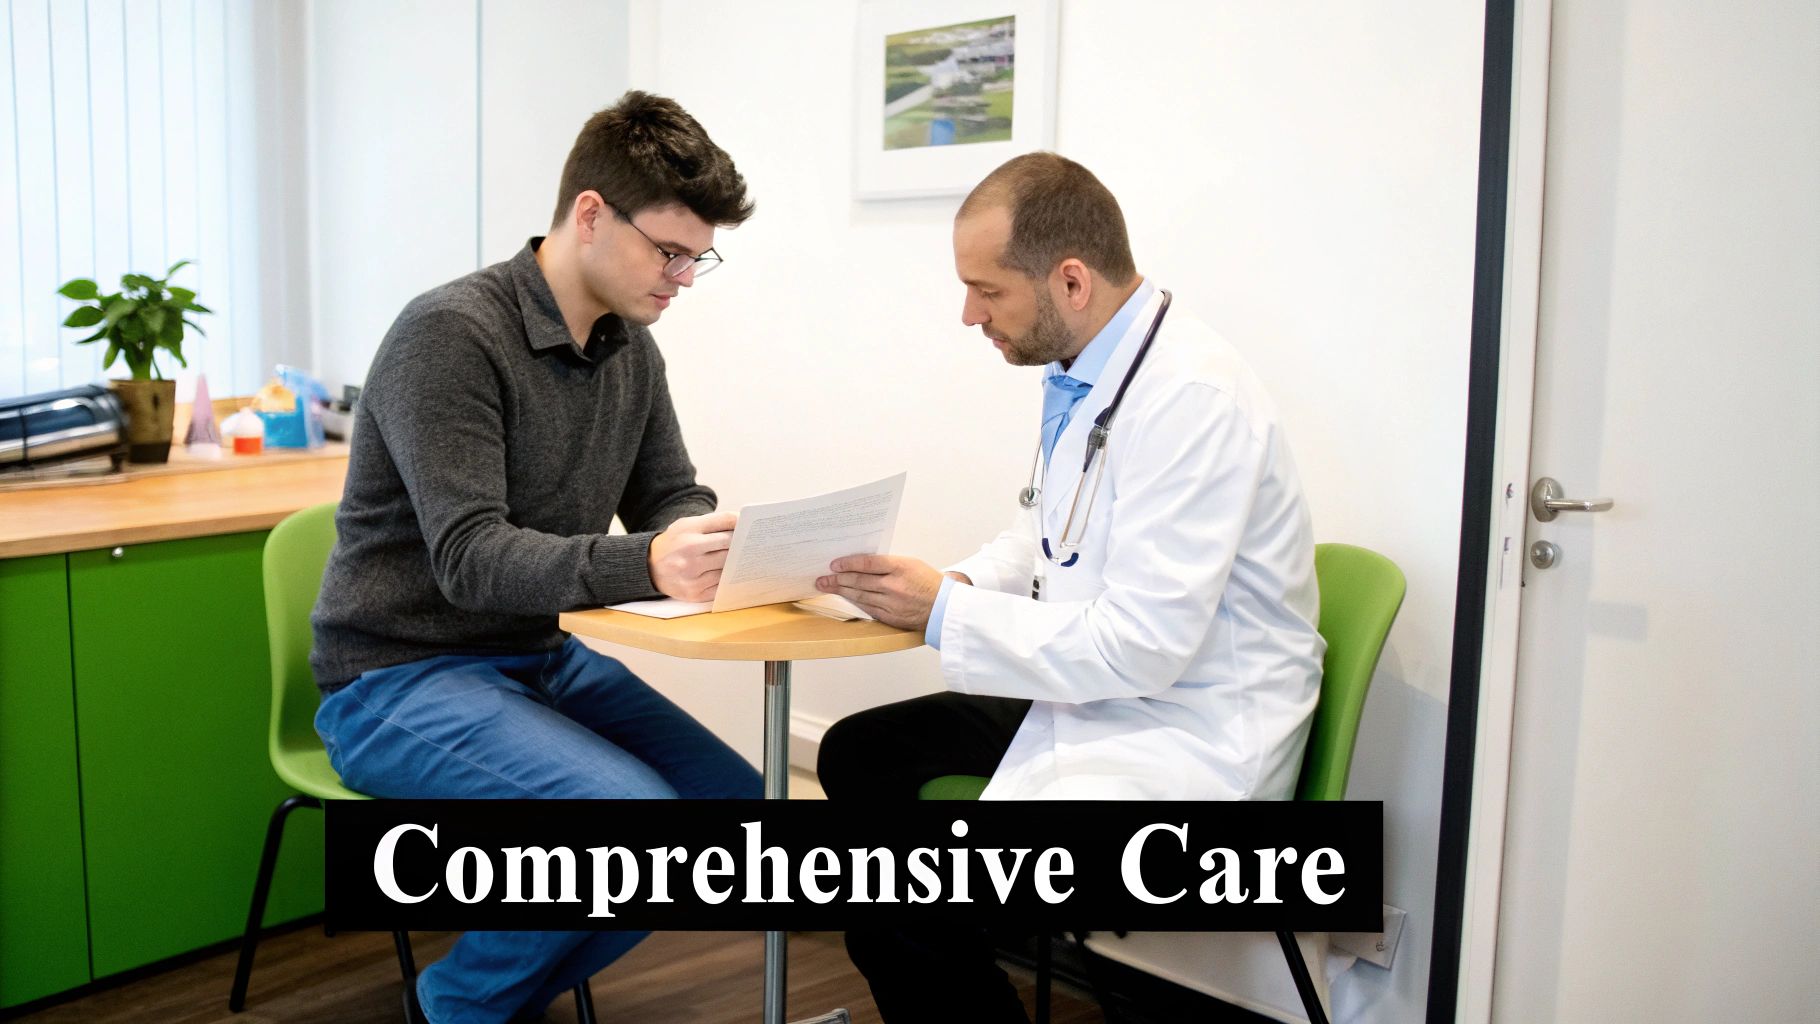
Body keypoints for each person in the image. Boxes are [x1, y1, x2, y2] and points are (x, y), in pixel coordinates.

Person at [813, 152, 1326, 1021]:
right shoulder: (1087, 368)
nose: (969, 314)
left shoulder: (1190, 398)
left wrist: (946, 614)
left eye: (987, 291)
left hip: (1190, 736)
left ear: (1072, 280)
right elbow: (1048, 536)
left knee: (904, 900)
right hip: (1105, 697)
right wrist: (956, 582)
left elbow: (1145, 646)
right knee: (859, 753)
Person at [309, 91, 762, 1024]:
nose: (683, 278)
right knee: (626, 824)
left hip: (537, 660)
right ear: (591, 213)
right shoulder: (450, 334)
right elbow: (471, 559)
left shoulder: (629, 348)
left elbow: (667, 494)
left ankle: (486, 994)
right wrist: (649, 564)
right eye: (668, 252)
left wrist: (711, 541)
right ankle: (458, 1004)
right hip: (398, 674)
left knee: (732, 811)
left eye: (697, 258)